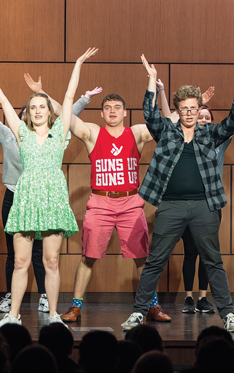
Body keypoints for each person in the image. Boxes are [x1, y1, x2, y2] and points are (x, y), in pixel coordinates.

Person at [121, 55, 234, 332]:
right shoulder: (166, 132)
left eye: (194, 108)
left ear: (199, 109)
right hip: (170, 206)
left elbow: (233, 122)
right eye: (185, 109)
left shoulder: (209, 134)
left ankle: (228, 314)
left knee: (213, 261)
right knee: (155, 260)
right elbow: (149, 113)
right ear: (178, 110)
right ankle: (138, 312)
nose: (190, 113)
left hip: (204, 206)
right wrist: (151, 79)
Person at [0, 73, 100, 314]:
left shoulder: (60, 131)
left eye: (42, 107)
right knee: (20, 261)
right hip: (26, 199)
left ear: (50, 111)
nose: (38, 111)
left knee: (51, 261)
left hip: (53, 200)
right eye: (33, 107)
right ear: (27, 113)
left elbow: (69, 99)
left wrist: (79, 65)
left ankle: (53, 315)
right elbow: (3, 101)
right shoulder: (20, 134)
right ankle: (13, 316)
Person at [40, 71, 172, 323]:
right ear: (101, 114)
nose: (112, 111)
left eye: (117, 107)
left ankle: (152, 305)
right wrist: (42, 92)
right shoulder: (92, 133)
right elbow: (63, 113)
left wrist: (160, 92)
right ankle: (76, 306)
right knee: (88, 257)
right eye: (108, 107)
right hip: (100, 202)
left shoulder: (136, 133)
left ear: (125, 112)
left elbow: (168, 122)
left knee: (142, 257)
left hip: (131, 202)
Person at [158, 80, 234, 314]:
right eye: (201, 115)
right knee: (190, 252)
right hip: (186, 201)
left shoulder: (218, 139)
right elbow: (169, 119)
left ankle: (203, 298)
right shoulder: (183, 135)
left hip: (210, 203)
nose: (203, 119)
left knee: (208, 252)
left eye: (207, 117)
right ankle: (188, 298)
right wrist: (163, 92)